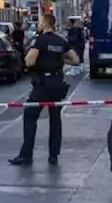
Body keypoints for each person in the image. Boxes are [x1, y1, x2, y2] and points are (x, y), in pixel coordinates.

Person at [9, 13, 80, 166]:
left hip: (43, 84)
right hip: (57, 82)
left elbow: (29, 61)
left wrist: (34, 59)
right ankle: (53, 155)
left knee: (30, 115)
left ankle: (26, 155)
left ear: (46, 24)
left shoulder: (40, 41)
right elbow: (75, 60)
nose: (39, 24)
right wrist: (61, 58)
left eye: (41, 22)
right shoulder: (60, 41)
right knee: (55, 119)